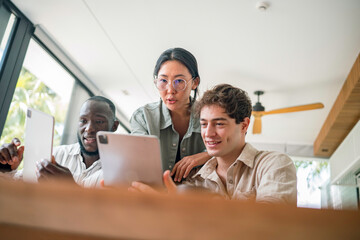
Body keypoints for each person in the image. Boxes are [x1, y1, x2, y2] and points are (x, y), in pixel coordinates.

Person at [130, 84, 297, 204]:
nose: (208, 134)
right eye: (203, 124)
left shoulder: (273, 165)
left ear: (244, 125)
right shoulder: (193, 181)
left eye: (219, 124)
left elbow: (269, 225)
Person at [0, 96, 119, 187]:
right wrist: (5, 168)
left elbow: (109, 216)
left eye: (99, 121)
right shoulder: (56, 155)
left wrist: (70, 189)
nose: (89, 128)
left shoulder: (120, 171)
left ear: (114, 126)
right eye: (83, 121)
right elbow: (14, 184)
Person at [130, 48, 211, 182]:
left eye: (179, 81)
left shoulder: (209, 116)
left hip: (198, 197)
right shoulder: (143, 117)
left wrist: (204, 156)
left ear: (195, 83)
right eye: (163, 81)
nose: (170, 90)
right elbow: (138, 163)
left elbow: (229, 150)